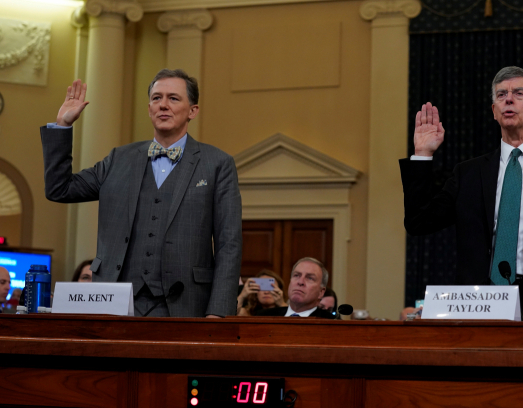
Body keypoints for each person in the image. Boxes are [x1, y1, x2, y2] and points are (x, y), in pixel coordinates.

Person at [400, 66, 523, 320]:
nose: (508, 99)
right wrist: (423, 155)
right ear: (494, 111)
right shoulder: (468, 173)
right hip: (481, 301)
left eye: (518, 93)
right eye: (501, 95)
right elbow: (419, 222)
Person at [40, 69, 242, 318]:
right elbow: (60, 189)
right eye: (156, 98)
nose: (163, 105)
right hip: (115, 304)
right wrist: (62, 125)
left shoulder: (217, 164)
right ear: (149, 109)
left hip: (186, 306)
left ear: (193, 110)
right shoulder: (118, 159)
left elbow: (228, 244)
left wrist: (218, 312)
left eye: (174, 98)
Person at [255, 257, 335, 318]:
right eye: (296, 275)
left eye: (310, 278)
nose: (300, 282)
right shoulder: (263, 316)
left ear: (321, 292)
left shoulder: (332, 323)